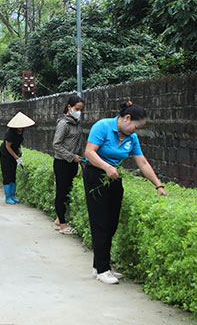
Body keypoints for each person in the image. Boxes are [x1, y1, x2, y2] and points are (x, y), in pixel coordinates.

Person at [82, 100, 167, 284]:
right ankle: (103, 270)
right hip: (96, 175)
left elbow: (142, 162)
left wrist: (158, 185)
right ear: (127, 118)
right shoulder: (102, 126)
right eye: (135, 126)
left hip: (114, 176)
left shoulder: (131, 138)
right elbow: (89, 152)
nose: (135, 131)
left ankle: (100, 265)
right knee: (100, 222)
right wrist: (106, 167)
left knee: (112, 222)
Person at [51, 95, 86, 234]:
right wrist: (72, 157)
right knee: (61, 192)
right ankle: (63, 226)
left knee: (67, 192)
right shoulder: (63, 124)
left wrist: (82, 162)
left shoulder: (76, 124)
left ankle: (59, 219)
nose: (79, 112)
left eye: (81, 110)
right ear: (69, 107)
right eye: (77, 109)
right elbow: (56, 145)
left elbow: (79, 144)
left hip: (73, 163)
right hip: (62, 162)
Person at [0, 112, 34, 204]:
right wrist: (16, 157)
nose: (21, 127)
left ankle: (13, 195)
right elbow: (8, 146)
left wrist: (19, 151)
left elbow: (18, 143)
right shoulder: (10, 132)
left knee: (13, 174)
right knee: (7, 174)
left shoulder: (21, 131)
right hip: (5, 154)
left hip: (14, 153)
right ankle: (8, 197)